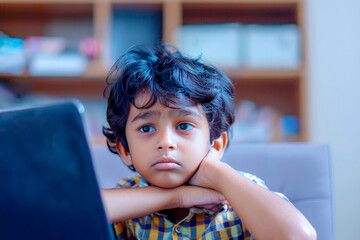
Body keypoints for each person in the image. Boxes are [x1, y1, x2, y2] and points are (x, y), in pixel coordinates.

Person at [101, 44, 316, 240]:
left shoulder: (238, 194)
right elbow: (68, 216)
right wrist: (176, 197)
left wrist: (214, 171)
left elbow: (298, 236)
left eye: (184, 126)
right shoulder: (128, 198)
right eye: (146, 128)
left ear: (216, 144)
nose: (165, 142)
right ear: (124, 149)